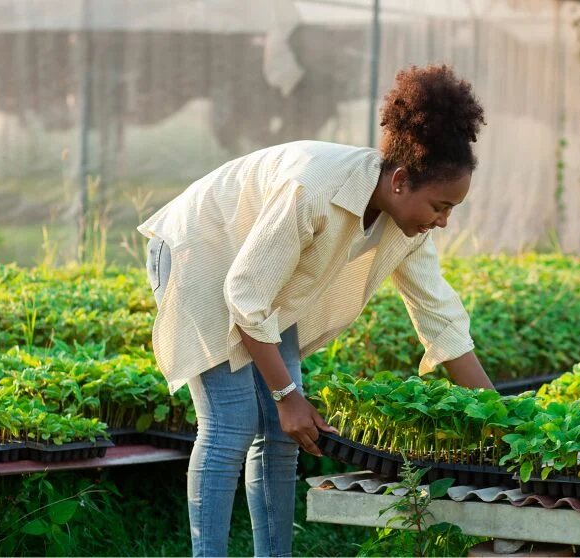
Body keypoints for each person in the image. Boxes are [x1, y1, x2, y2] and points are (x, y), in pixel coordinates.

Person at [138, 64, 494, 557]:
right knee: (232, 421)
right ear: (399, 180)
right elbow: (244, 294)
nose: (444, 221)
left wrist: (501, 419)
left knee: (287, 435)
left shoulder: (408, 231)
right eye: (439, 206)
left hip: (266, 276)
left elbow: (442, 319)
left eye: (451, 209)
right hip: (203, 251)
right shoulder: (315, 190)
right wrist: (285, 395)